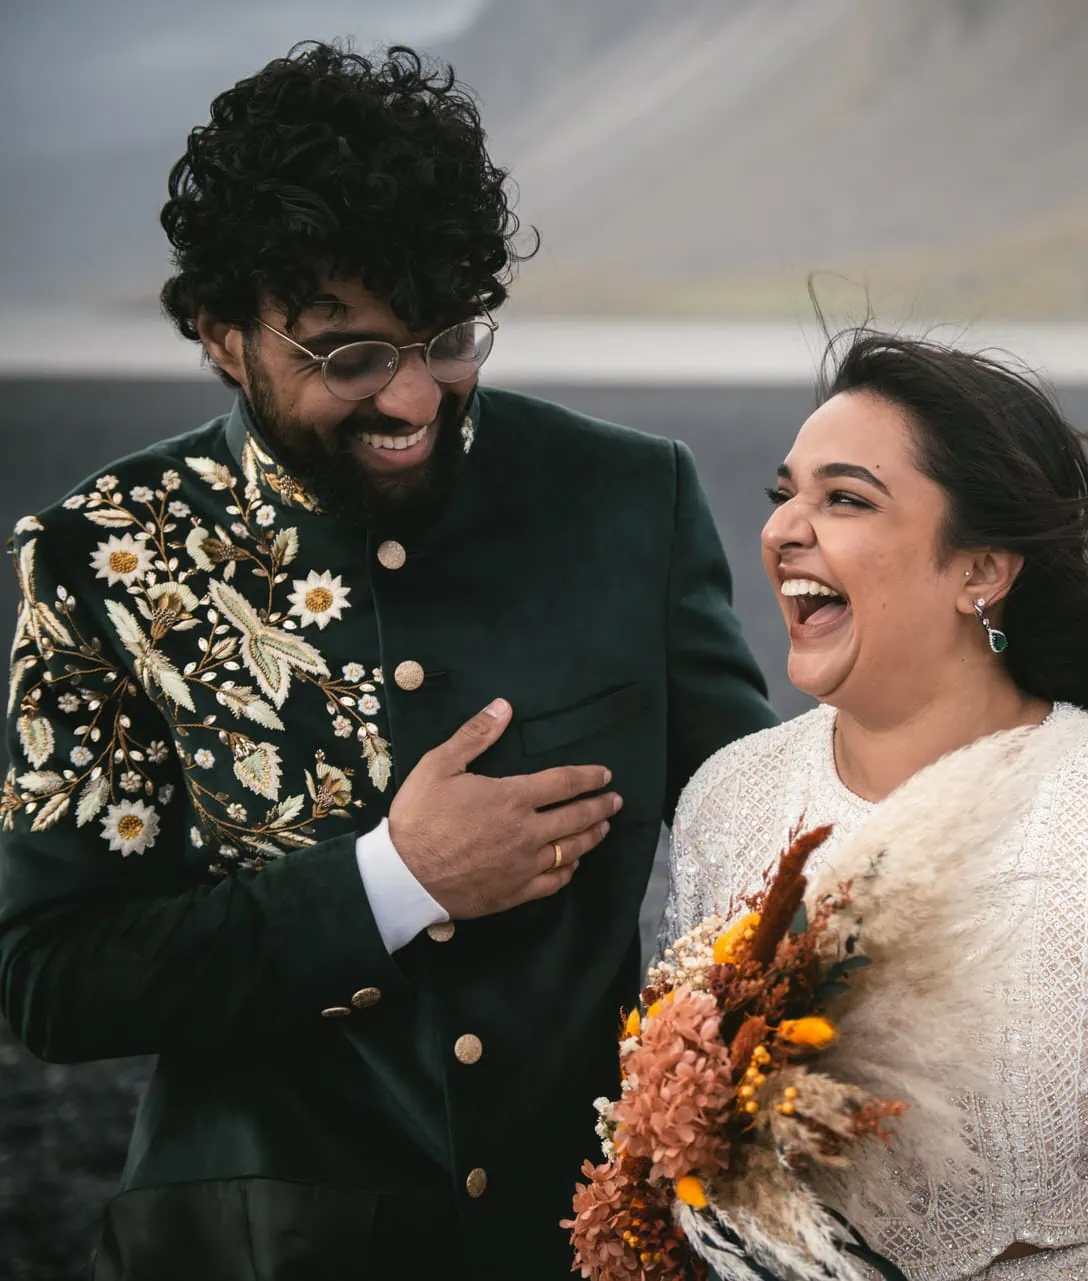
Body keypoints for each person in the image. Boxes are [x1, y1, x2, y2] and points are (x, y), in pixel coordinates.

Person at [0, 43, 775, 1279]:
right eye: (349, 355)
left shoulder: (632, 499)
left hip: (582, 1246)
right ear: (220, 333)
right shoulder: (104, 557)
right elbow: (51, 981)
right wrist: (389, 882)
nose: (416, 399)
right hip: (240, 1253)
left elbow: (762, 839)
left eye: (451, 338)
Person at [662, 331, 1088, 1280]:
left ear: (981, 571)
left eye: (844, 498)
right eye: (785, 493)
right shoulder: (731, 798)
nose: (787, 527)